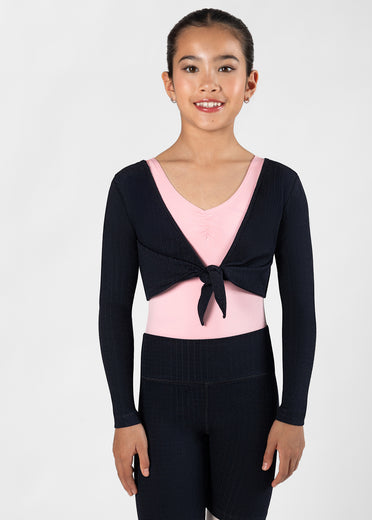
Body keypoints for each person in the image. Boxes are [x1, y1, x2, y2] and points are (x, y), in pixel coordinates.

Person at [98, 8, 316, 520]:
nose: (208, 82)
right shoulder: (131, 186)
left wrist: (294, 413)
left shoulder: (281, 186)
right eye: (191, 67)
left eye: (225, 66)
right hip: (162, 397)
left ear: (250, 82)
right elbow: (113, 311)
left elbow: (300, 309)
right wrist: (124, 416)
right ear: (169, 84)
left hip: (250, 394)